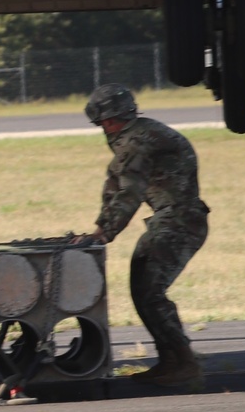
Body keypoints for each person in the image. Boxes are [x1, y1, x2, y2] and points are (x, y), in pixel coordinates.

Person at [78, 84, 210, 386]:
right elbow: (115, 183)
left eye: (102, 123)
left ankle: (183, 363)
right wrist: (100, 229)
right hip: (175, 218)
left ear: (108, 120)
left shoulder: (137, 142)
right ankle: (173, 361)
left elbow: (129, 191)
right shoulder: (137, 136)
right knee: (145, 289)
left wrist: (104, 234)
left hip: (178, 220)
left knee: (148, 291)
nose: (103, 129)